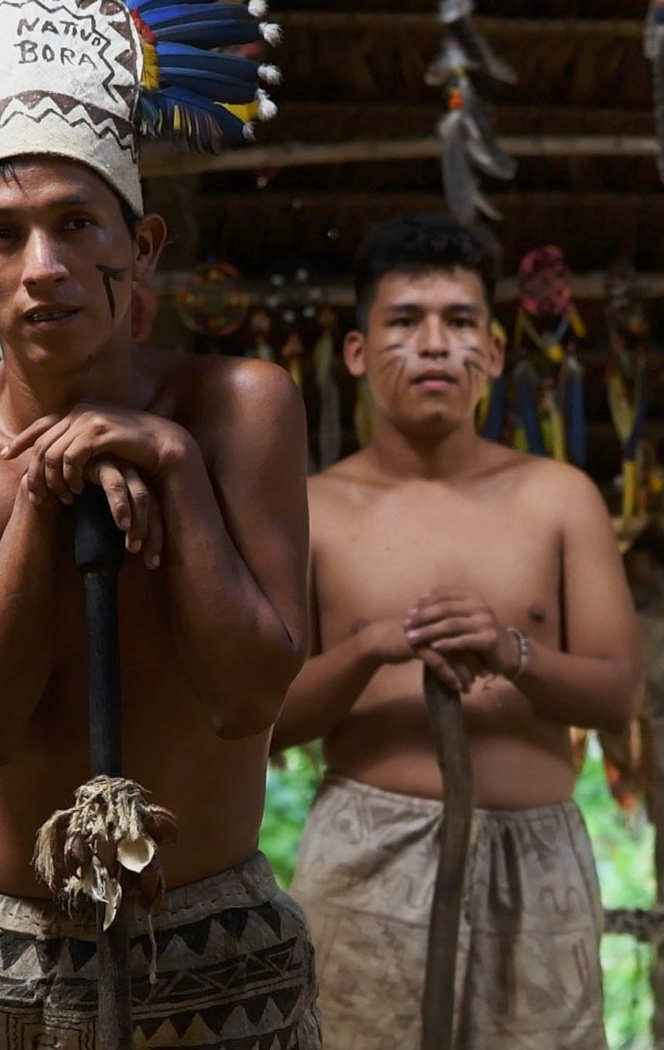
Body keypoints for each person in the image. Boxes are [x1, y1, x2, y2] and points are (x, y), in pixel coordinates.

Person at [0, 0, 313, 1045]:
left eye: (76, 224)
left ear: (139, 247)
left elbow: (248, 696)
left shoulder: (239, 407)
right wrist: (43, 505)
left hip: (214, 948)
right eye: (4, 235)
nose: (42, 267)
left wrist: (176, 466)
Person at [272, 212, 643, 1050]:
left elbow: (619, 694)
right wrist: (370, 647)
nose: (434, 344)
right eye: (404, 321)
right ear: (358, 352)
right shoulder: (314, 510)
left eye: (460, 322)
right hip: (366, 856)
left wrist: (514, 652)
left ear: (495, 352)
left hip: (537, 855)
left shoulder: (560, 497)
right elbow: (263, 721)